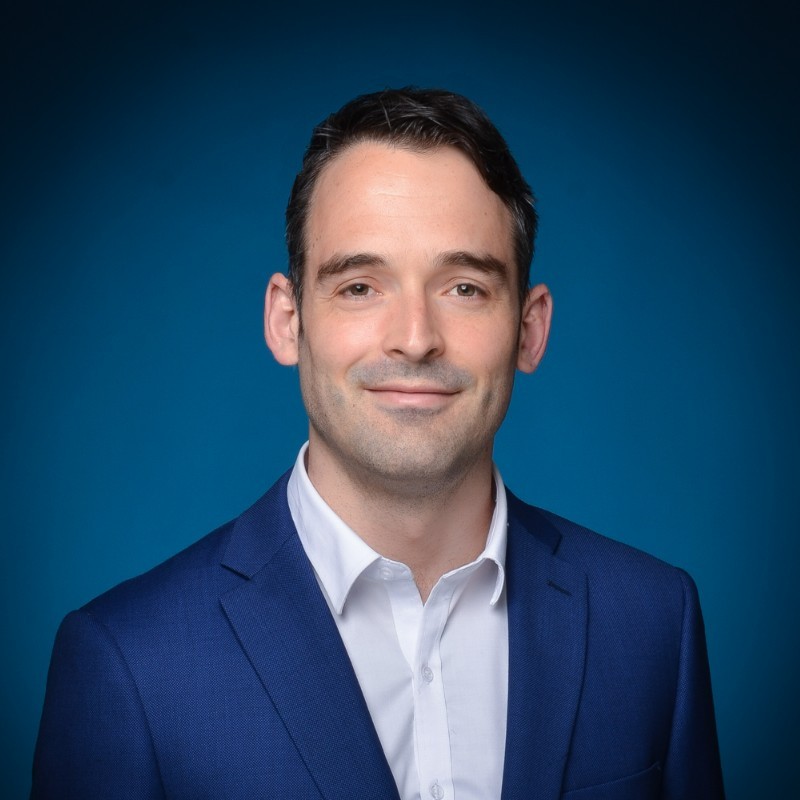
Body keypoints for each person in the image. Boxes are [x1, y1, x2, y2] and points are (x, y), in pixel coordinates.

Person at [31, 87, 725, 799]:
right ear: (286, 321)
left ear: (530, 327)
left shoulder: (651, 624)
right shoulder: (128, 662)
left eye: (464, 288)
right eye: (360, 286)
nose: (415, 338)